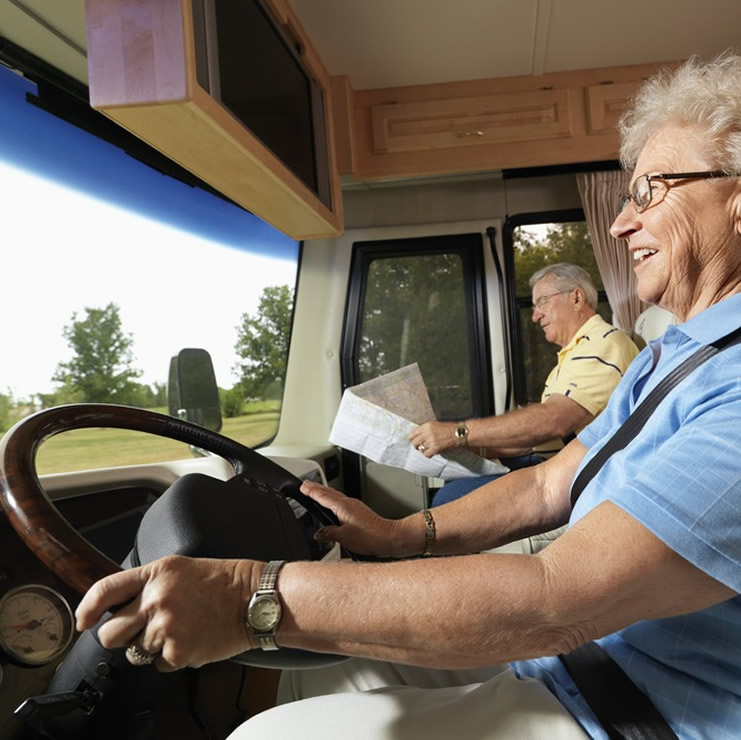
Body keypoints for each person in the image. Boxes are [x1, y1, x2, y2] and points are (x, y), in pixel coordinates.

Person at [76, 51, 741, 740]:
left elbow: (556, 599)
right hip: (592, 655)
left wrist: (249, 596)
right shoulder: (674, 354)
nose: (619, 223)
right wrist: (398, 535)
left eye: (650, 191)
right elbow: (548, 485)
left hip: (642, 707)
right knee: (321, 672)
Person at [410, 262, 639, 506]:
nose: (534, 315)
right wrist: (473, 450)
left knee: (447, 500)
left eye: (542, 301)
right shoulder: (572, 354)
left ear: (576, 298)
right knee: (453, 484)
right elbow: (533, 441)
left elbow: (554, 420)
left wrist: (458, 434)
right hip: (554, 461)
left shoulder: (603, 344)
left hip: (577, 474)